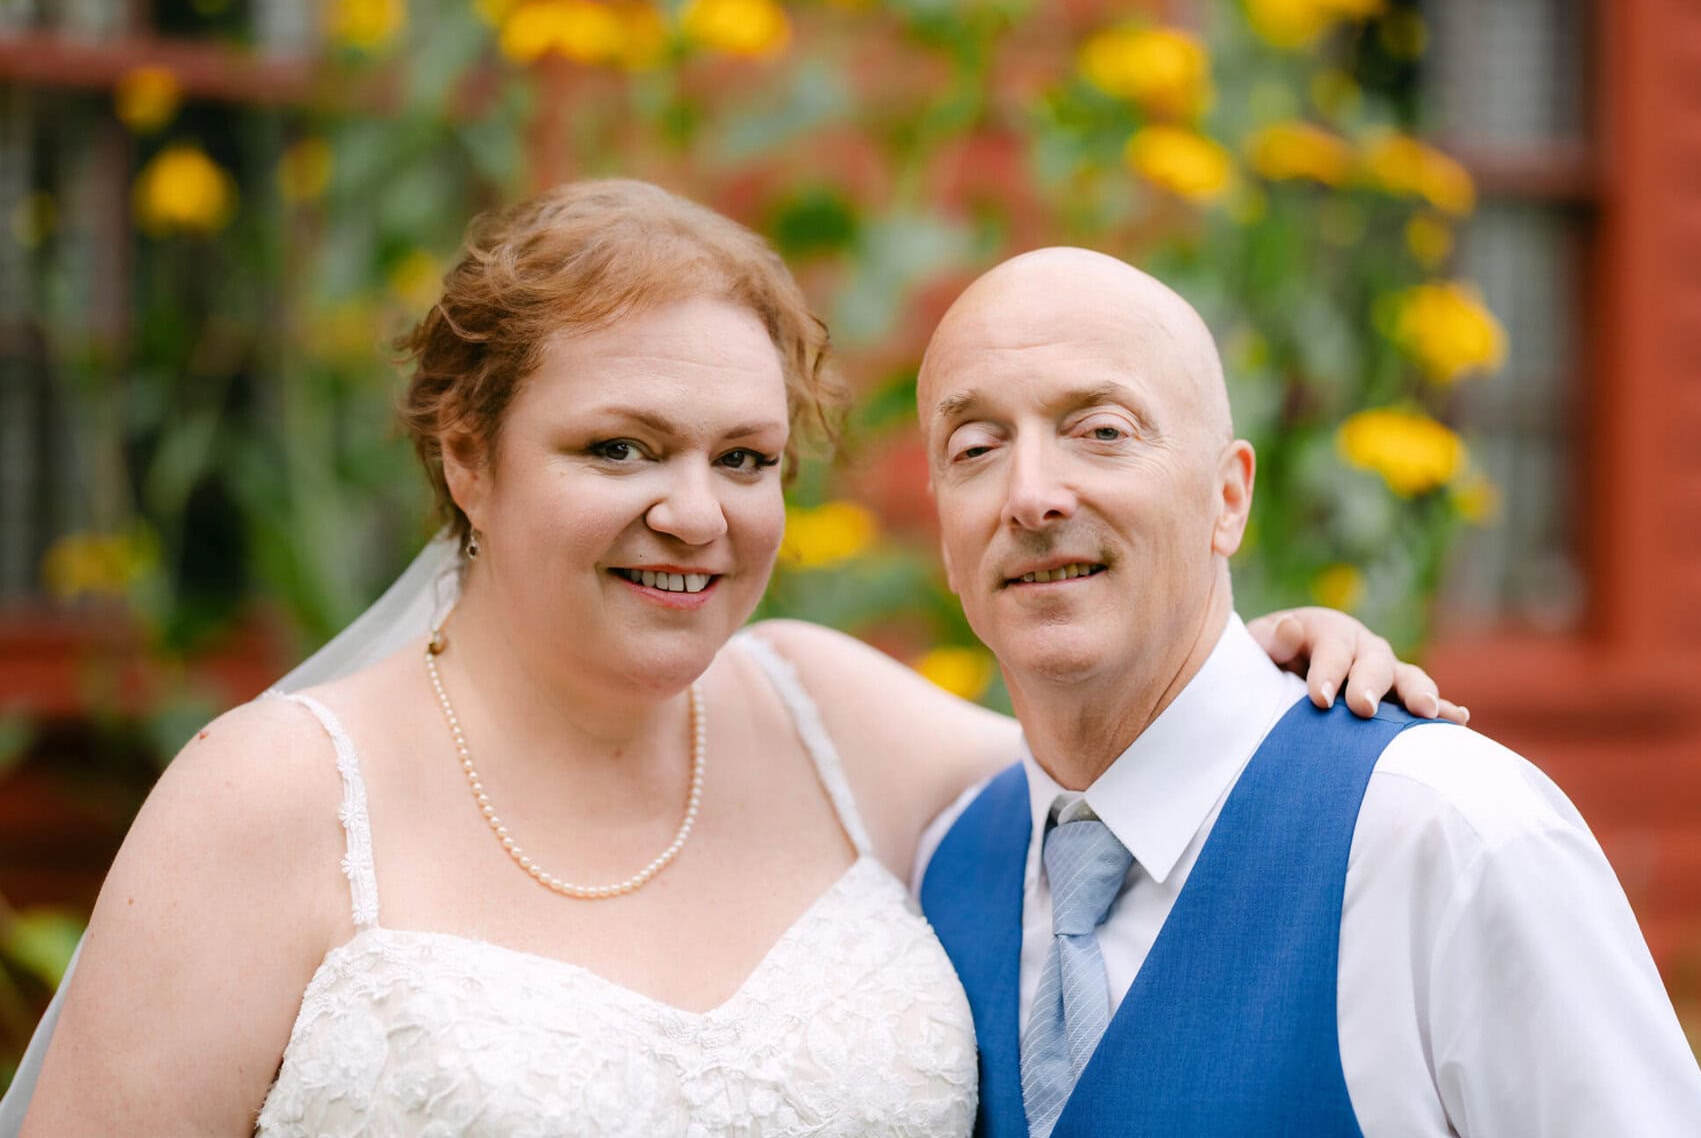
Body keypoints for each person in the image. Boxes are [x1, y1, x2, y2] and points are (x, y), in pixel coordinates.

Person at [4, 182, 1454, 1135]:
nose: (691, 512)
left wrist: (1259, 651)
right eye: (618, 446)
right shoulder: (272, 799)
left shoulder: (830, 715)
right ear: (468, 455)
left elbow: (1134, 765)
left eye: (743, 457)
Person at [913, 247, 1701, 1137]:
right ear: (946, 534)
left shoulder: (1446, 835)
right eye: (977, 448)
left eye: (1102, 432)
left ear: (1227, 499)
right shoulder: (944, 869)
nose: (1030, 496)